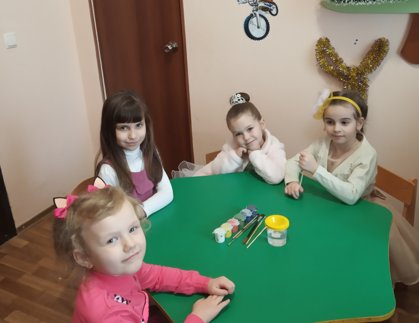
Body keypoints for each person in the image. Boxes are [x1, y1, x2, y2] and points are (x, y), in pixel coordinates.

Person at [285, 89, 419, 286]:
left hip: (362, 208)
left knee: (362, 254)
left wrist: (316, 170)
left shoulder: (367, 154)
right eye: (330, 122)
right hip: (329, 204)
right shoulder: (322, 143)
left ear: (359, 123)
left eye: (344, 122)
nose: (336, 129)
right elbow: (293, 161)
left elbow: (351, 195)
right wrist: (292, 181)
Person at [53, 181, 235, 323]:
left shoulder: (119, 267)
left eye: (132, 229)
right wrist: (198, 318)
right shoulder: (105, 314)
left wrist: (204, 283)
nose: (130, 244)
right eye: (111, 240)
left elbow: (157, 276)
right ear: (84, 257)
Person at [173, 92, 286, 184]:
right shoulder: (232, 146)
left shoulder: (274, 146)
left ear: (262, 124)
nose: (246, 137)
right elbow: (217, 170)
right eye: (238, 134)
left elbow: (277, 177)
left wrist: (255, 154)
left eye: (250, 129)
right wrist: (234, 157)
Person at [96, 90, 173, 217]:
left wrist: (142, 211)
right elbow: (108, 215)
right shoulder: (108, 170)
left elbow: (167, 192)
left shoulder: (151, 152)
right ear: (109, 130)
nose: (133, 135)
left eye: (138, 125)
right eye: (123, 128)